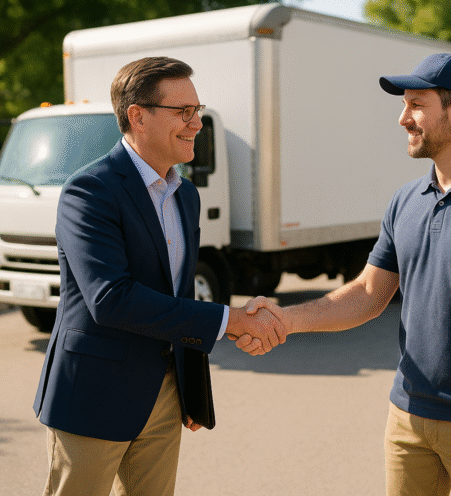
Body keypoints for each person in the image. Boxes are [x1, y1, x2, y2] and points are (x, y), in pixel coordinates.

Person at [242, 53, 451, 495]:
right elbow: (368, 294)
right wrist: (286, 319)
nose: (402, 118)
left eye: (416, 104)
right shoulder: (405, 200)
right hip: (407, 419)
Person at [33, 56, 285, 496]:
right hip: (93, 396)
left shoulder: (185, 194)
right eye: (183, 112)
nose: (196, 123)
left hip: (163, 397)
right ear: (137, 116)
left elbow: (178, 293)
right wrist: (232, 320)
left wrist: (189, 390)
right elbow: (111, 298)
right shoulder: (89, 191)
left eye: (198, 111)